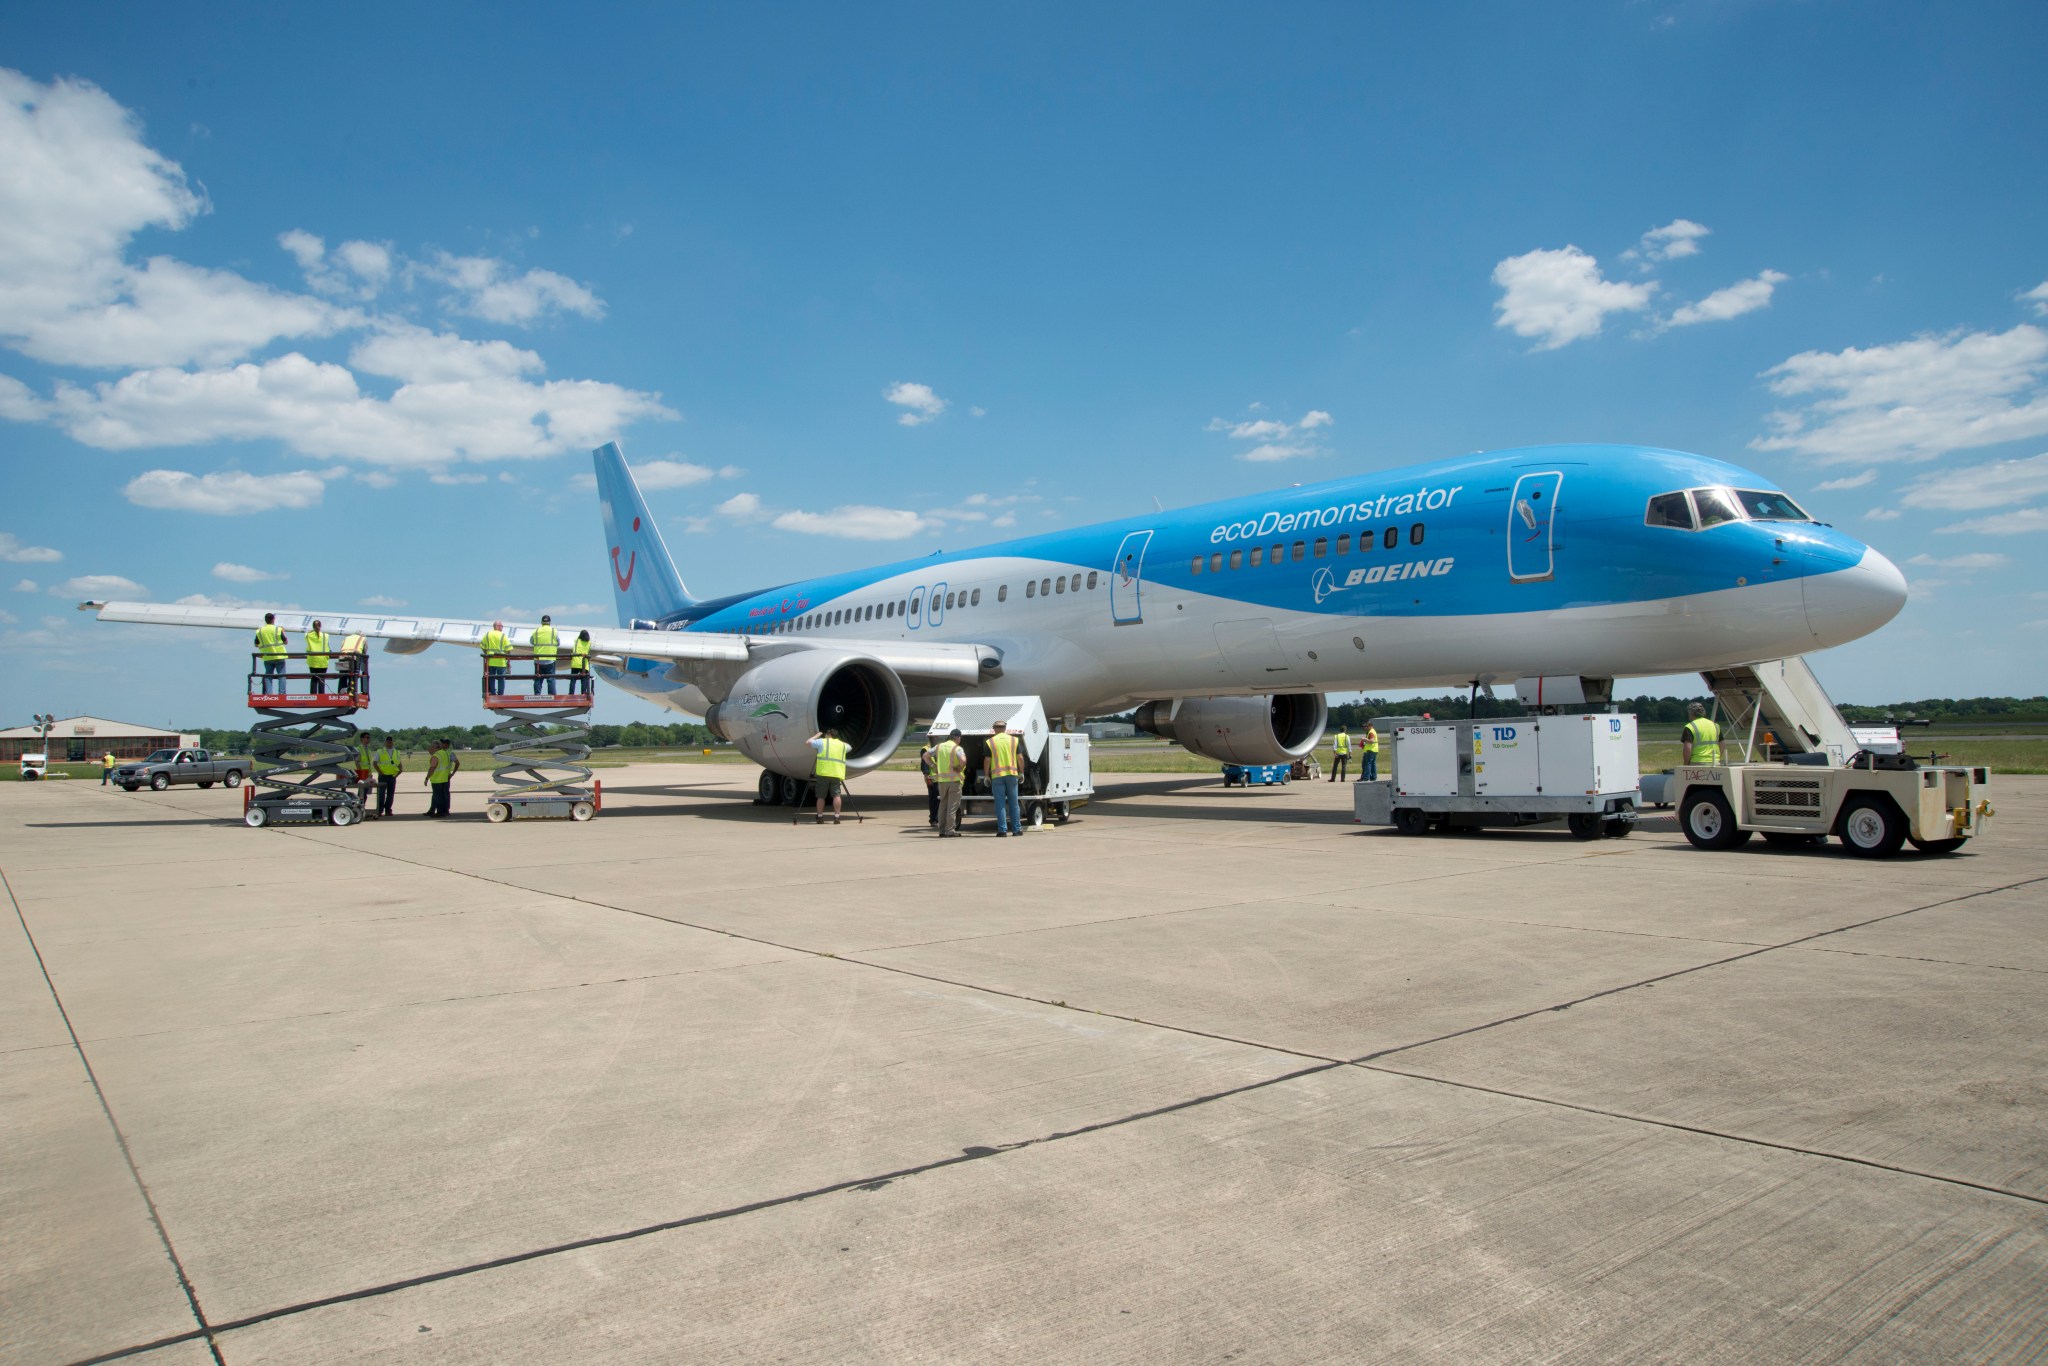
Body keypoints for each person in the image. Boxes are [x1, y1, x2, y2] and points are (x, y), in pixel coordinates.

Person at [987, 718, 1024, 836]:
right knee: (1014, 803)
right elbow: (1020, 758)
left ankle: (1002, 830)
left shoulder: (990, 742)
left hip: (997, 776)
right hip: (1012, 775)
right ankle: (1016, 830)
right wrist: (1021, 772)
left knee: (1000, 804)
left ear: (994, 729)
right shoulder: (1014, 740)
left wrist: (986, 775)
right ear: (1005, 728)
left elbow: (987, 760)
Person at [808, 727, 850, 824]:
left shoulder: (822, 742)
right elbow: (849, 747)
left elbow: (808, 742)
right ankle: (837, 817)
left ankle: (820, 816)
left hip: (824, 773)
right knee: (836, 795)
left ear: (828, 735)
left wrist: (817, 735)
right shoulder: (842, 745)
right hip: (836, 773)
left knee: (821, 796)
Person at [932, 728, 967, 836]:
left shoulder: (939, 746)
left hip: (942, 781)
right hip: (954, 781)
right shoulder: (957, 748)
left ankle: (941, 830)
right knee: (952, 807)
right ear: (958, 738)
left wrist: (933, 766)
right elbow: (963, 760)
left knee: (943, 805)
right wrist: (960, 768)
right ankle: (950, 830)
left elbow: (925, 756)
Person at [424, 739, 458, 816]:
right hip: (444, 778)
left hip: (438, 778)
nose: (430, 749)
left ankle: (441, 811)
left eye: (431, 747)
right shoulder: (445, 753)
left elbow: (432, 767)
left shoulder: (439, 755)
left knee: (439, 796)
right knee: (441, 796)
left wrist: (427, 778)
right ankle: (440, 810)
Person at [253, 612, 288, 685]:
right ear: (273, 619)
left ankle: (269, 694)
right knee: (281, 675)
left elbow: (256, 644)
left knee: (268, 676)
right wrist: (283, 632)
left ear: (265, 620)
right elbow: (285, 642)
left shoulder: (259, 631)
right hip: (279, 656)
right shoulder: (278, 629)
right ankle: (282, 693)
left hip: (267, 657)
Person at [373, 735, 403, 818]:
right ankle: (379, 811)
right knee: (381, 794)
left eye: (390, 741)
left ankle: (388, 810)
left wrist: (399, 771)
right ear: (385, 742)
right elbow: (374, 763)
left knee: (390, 794)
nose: (389, 742)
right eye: (387, 741)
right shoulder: (380, 751)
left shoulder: (396, 752)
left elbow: (399, 763)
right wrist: (380, 772)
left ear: (392, 742)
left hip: (392, 776)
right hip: (383, 776)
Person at [532, 614, 560, 696]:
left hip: (538, 659)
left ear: (541, 622)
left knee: (538, 678)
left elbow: (531, 641)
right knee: (551, 678)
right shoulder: (554, 631)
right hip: (550, 659)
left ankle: (537, 694)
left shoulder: (536, 631)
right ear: (549, 622)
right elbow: (558, 642)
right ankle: (551, 695)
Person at [481, 621, 510, 696]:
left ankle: (493, 693)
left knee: (491, 678)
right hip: (501, 662)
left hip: (490, 661)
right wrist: (508, 660)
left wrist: (487, 653)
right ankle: (500, 694)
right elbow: (508, 649)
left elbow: (482, 646)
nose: (502, 628)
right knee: (501, 679)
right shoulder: (503, 636)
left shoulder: (488, 634)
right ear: (498, 626)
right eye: (502, 626)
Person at [304, 619, 330, 695]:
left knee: (314, 678)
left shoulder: (308, 635)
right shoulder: (326, 636)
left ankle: (313, 694)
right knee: (322, 678)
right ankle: (322, 694)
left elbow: (307, 634)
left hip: (313, 660)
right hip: (323, 659)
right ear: (320, 626)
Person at [338, 631, 368, 695]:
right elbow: (364, 651)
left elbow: (342, 647)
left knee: (343, 676)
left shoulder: (347, 638)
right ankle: (351, 692)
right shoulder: (363, 638)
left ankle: (340, 693)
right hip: (353, 658)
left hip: (342, 657)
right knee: (353, 675)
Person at [919, 742, 938, 826]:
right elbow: (925, 764)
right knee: (934, 799)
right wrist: (926, 776)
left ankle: (936, 818)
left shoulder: (938, 748)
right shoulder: (925, 749)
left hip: (940, 777)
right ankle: (933, 819)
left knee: (938, 800)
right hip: (932, 778)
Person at [570, 629, 593, 695]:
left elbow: (576, 640)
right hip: (584, 664)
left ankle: (571, 693)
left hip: (576, 663)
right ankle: (583, 693)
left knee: (573, 680)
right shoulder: (589, 643)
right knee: (584, 680)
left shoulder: (577, 641)